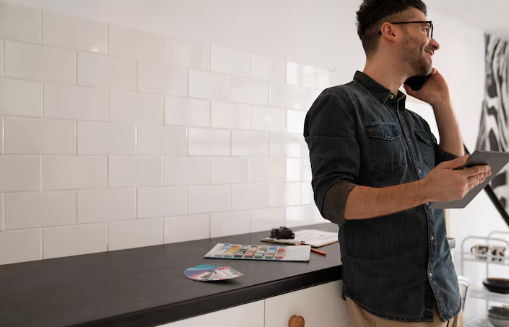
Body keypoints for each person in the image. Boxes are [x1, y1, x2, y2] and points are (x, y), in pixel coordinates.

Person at [304, 0, 491, 326]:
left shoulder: (415, 122)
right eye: (425, 28)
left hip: (445, 297)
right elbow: (332, 199)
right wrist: (424, 189)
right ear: (389, 31)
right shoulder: (340, 103)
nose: (433, 41)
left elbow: (454, 182)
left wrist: (442, 104)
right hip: (391, 304)